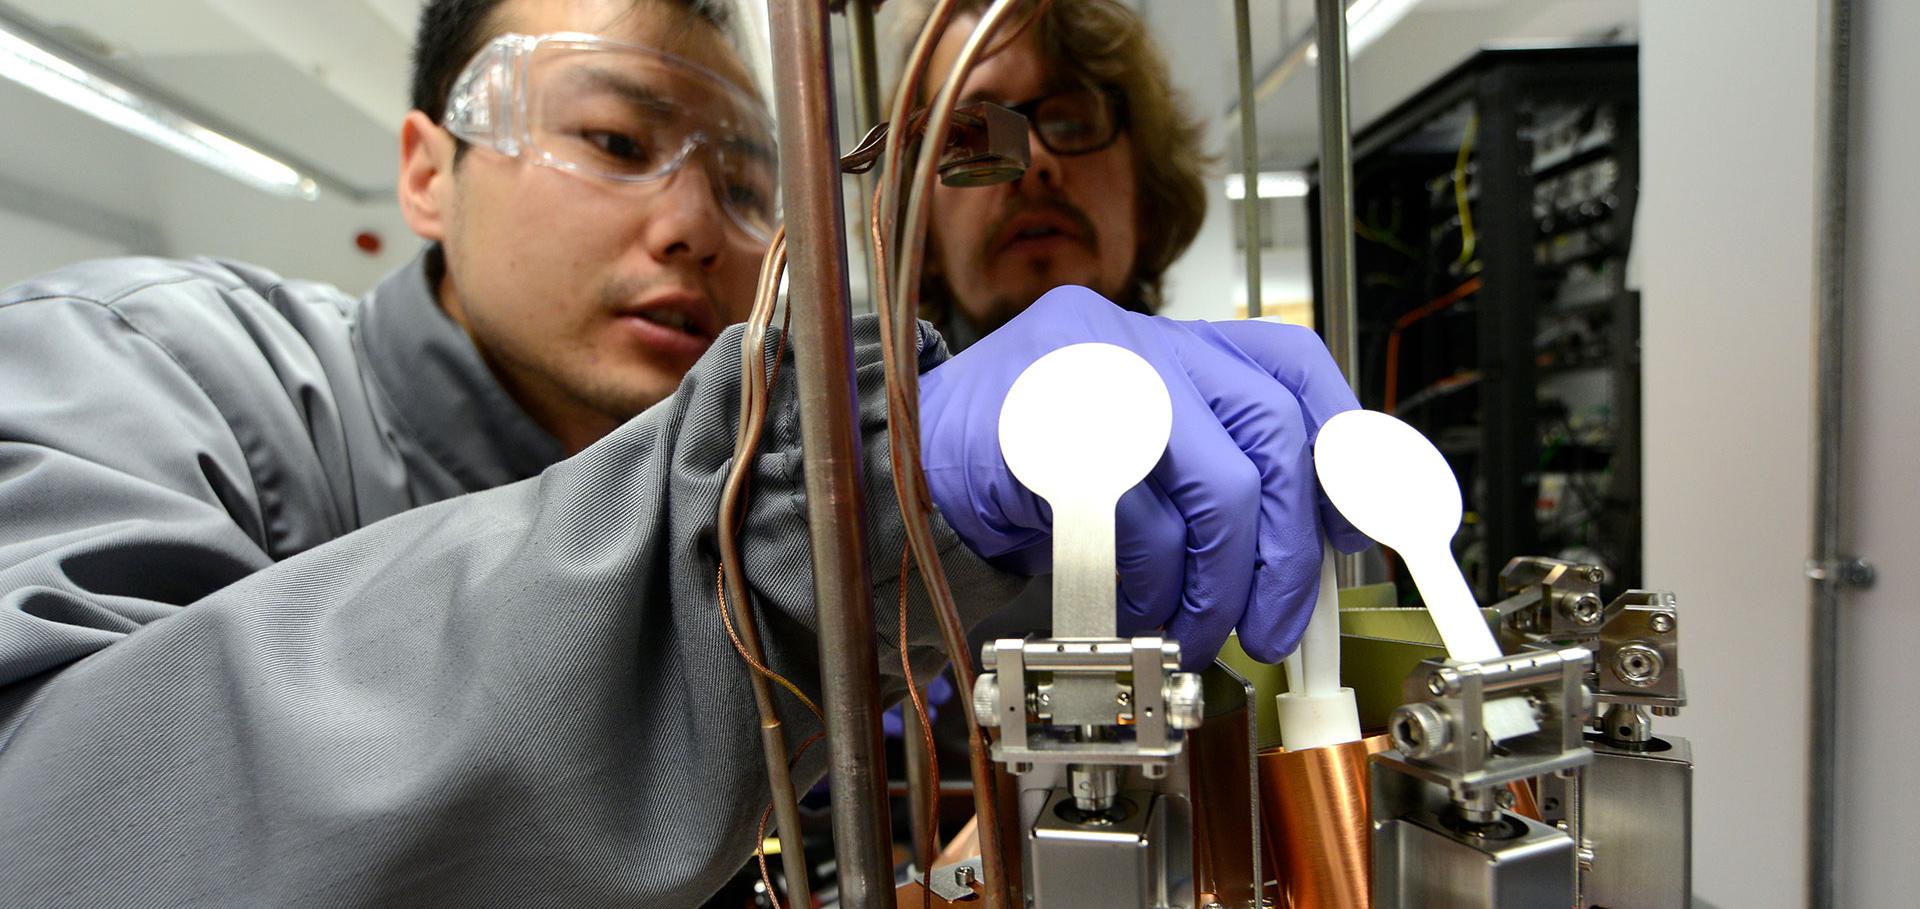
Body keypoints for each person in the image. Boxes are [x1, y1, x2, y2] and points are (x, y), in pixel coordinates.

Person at [0, 0, 1364, 904]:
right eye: (613, 138)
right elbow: (54, 822)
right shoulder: (154, 371)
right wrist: (825, 513)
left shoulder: (754, 459)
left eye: (744, 180)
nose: (693, 225)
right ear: (426, 167)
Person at [911, 0, 1210, 351]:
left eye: (1071, 124)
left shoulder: (1222, 399)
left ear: (1147, 196)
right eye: (977, 135)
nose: (1034, 160)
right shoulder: (867, 405)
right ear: (921, 230)